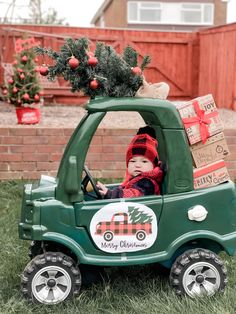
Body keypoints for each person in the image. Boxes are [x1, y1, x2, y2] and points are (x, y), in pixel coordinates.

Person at [96, 126, 164, 198]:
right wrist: (110, 191)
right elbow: (124, 189)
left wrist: (111, 194)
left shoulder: (147, 182)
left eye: (144, 161)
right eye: (133, 161)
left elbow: (134, 194)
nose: (137, 165)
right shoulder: (133, 178)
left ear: (154, 166)